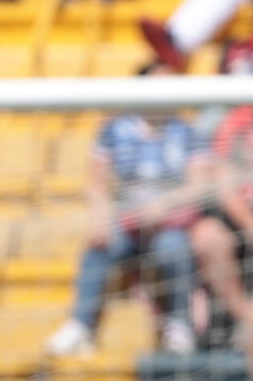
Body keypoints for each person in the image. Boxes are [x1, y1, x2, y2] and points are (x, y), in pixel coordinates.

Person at [46, 74, 201, 359]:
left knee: (173, 248)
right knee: (100, 245)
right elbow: (97, 183)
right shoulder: (116, 128)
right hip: (127, 220)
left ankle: (180, 324)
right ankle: (81, 324)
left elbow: (199, 184)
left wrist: (164, 205)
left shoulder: (186, 131)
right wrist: (100, 218)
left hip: (169, 222)